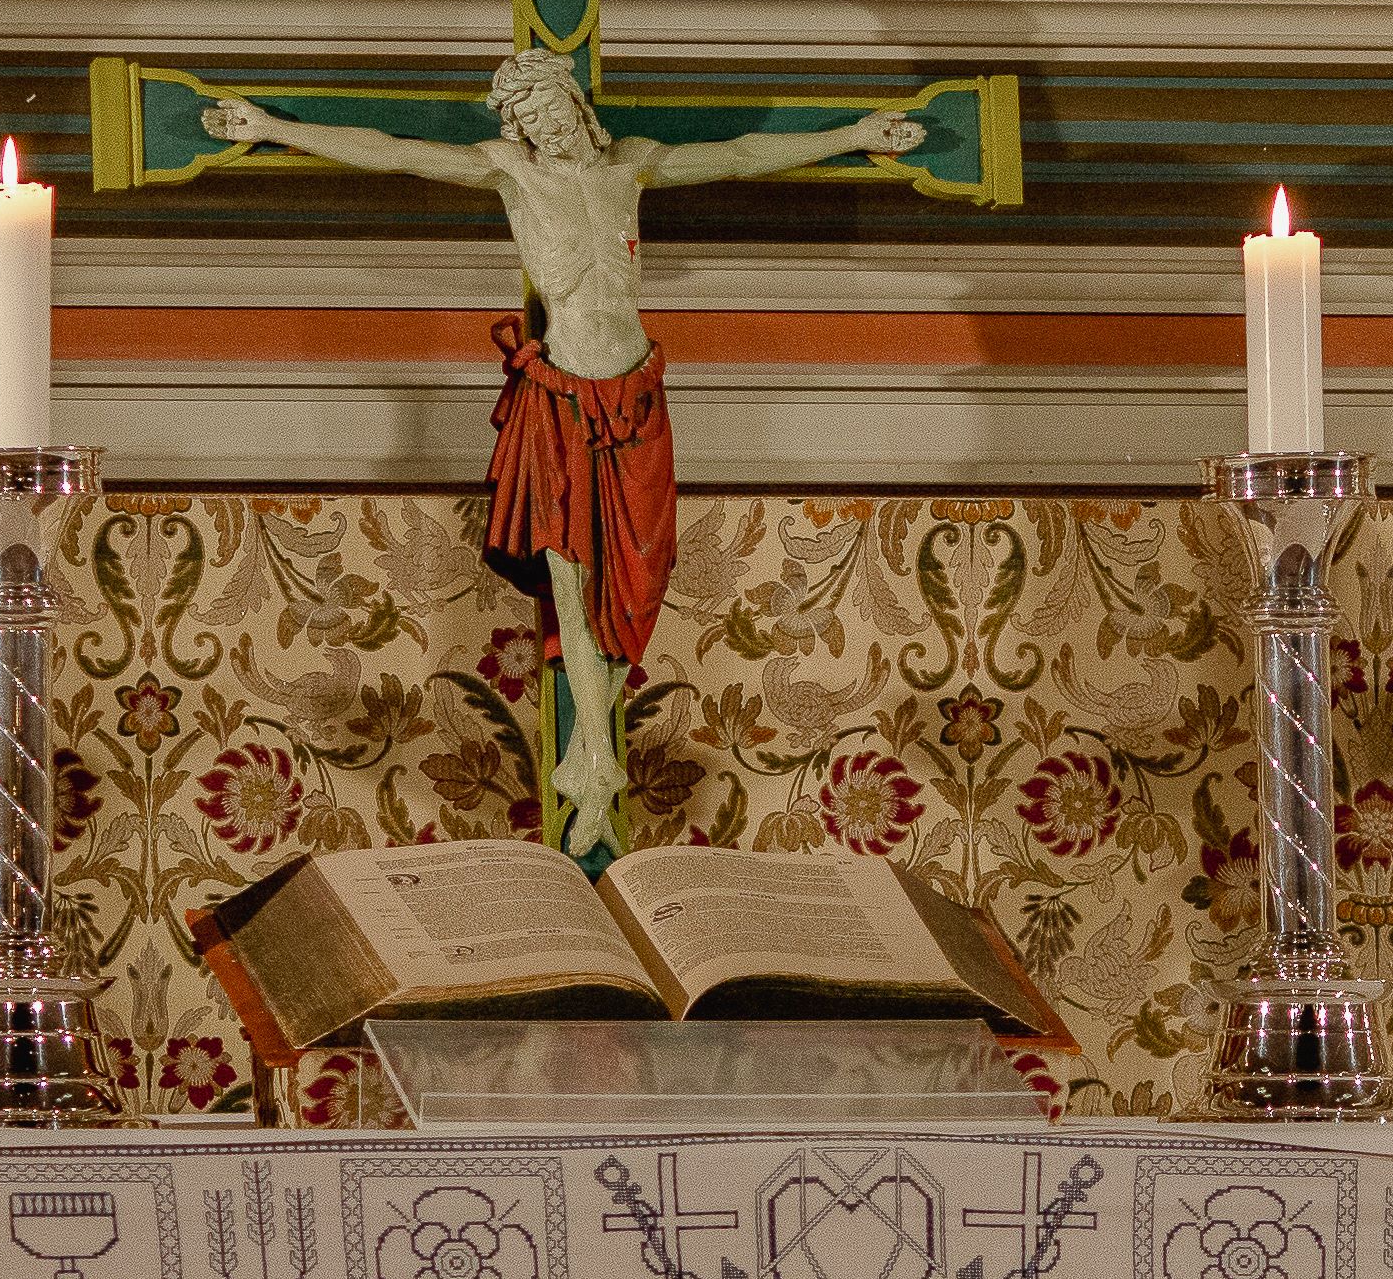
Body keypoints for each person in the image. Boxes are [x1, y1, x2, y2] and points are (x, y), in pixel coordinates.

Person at [197, 50, 925, 858]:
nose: (542, 128)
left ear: (574, 104)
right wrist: (274, 128)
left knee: (644, 572)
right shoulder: (512, 172)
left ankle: (588, 756)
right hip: (564, 401)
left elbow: (743, 155)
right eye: (527, 120)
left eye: (549, 109)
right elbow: (394, 151)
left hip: (637, 395)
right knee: (572, 581)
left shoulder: (631, 165)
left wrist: (855, 135)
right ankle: (600, 768)